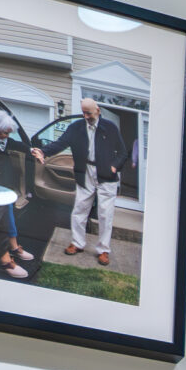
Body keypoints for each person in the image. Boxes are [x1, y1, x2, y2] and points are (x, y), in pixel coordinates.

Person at [56, 99, 126, 266]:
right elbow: (60, 143)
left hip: (106, 176)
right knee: (79, 209)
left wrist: (114, 167)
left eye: (89, 113)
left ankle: (103, 250)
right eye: (84, 113)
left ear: (98, 111)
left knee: (105, 214)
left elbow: (122, 152)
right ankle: (77, 243)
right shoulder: (76, 127)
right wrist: (42, 152)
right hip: (85, 172)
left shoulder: (110, 128)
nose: (86, 116)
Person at [0, 108, 35, 279]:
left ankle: (13, 246)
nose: (7, 136)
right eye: (4, 133)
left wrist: (33, 150)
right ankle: (4, 260)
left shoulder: (4, 141)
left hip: (3, 186)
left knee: (8, 213)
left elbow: (19, 146)